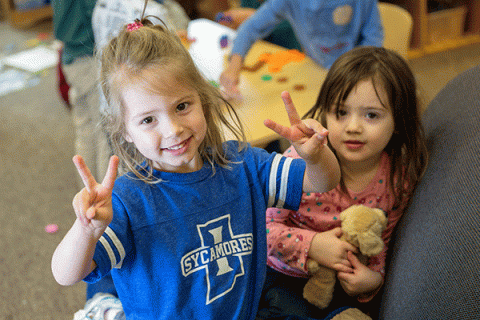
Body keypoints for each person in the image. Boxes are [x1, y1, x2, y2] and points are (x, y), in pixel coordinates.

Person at [51, 10, 341, 320]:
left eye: (182, 106)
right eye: (148, 120)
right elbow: (66, 274)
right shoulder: (127, 201)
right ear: (125, 131)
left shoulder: (244, 165)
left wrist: (315, 156)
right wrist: (85, 231)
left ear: (202, 100)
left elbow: (324, 182)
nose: (173, 129)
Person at [257, 46, 428, 319]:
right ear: (325, 112)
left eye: (371, 115)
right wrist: (312, 245)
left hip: (340, 286)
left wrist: (374, 278)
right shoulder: (299, 163)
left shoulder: (398, 178)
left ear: (397, 121)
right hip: (283, 273)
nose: (353, 127)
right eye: (341, 112)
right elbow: (260, 230)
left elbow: (382, 242)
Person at [219, 0, 384, 99]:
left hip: (355, 72)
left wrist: (357, 72)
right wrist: (234, 66)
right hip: (316, 71)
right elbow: (251, 27)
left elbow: (374, 37)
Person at [51, 0, 111, 185]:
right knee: (105, 134)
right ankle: (102, 199)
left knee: (87, 129)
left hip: (72, 56)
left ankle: (87, 194)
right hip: (90, 56)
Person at [216, 0, 301, 51]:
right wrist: (236, 23)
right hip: (259, 50)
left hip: (288, 51)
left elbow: (292, 27)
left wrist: (255, 17)